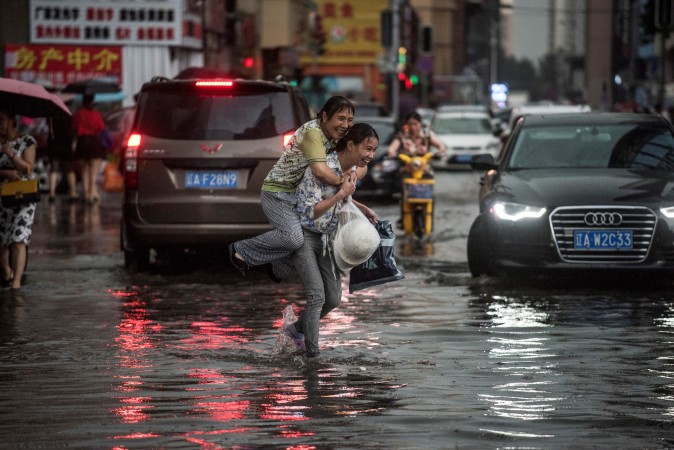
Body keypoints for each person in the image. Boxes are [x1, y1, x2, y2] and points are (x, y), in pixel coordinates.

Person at [229, 96, 365, 277]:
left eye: (349, 120)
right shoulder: (313, 133)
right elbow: (320, 171)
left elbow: (362, 160)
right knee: (293, 239)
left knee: (308, 240)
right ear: (324, 117)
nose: (346, 125)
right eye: (340, 118)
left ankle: (276, 266)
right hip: (279, 192)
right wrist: (343, 183)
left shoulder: (336, 136)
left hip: (302, 196)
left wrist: (354, 172)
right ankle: (241, 250)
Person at [284, 123, 379, 358]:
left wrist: (361, 206)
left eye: (374, 150)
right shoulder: (321, 168)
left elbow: (340, 196)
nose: (371, 155)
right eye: (367, 149)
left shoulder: (350, 171)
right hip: (304, 235)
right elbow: (310, 212)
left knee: (334, 298)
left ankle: (295, 330)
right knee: (317, 295)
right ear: (350, 145)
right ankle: (313, 357)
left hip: (327, 239)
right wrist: (341, 194)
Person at [0, 108, 38, 289]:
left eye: (2, 120)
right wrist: (5, 172)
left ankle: (16, 284)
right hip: (2, 195)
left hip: (22, 196)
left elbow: (28, 168)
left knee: (18, 238)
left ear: (12, 121)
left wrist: (11, 154)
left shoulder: (27, 141)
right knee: (2, 241)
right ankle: (7, 273)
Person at [387, 111, 446, 228]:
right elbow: (392, 148)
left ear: (420, 124)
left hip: (425, 171)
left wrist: (440, 150)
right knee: (404, 192)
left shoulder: (427, 135)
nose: (413, 127)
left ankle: (429, 220)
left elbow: (440, 145)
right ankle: (403, 217)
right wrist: (392, 153)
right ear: (406, 125)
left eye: (415, 124)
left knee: (430, 195)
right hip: (407, 171)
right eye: (410, 124)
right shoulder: (401, 136)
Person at [72, 94, 106, 204]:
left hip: (82, 142)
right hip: (94, 142)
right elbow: (101, 128)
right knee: (94, 171)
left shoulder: (78, 113)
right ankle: (92, 193)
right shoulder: (96, 114)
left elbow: (74, 127)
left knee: (84, 171)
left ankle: (86, 194)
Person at [47, 113, 78, 202]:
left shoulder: (51, 115)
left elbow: (49, 127)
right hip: (66, 142)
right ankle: (73, 192)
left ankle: (52, 193)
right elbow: (73, 129)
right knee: (69, 168)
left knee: (54, 168)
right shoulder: (68, 114)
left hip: (53, 142)